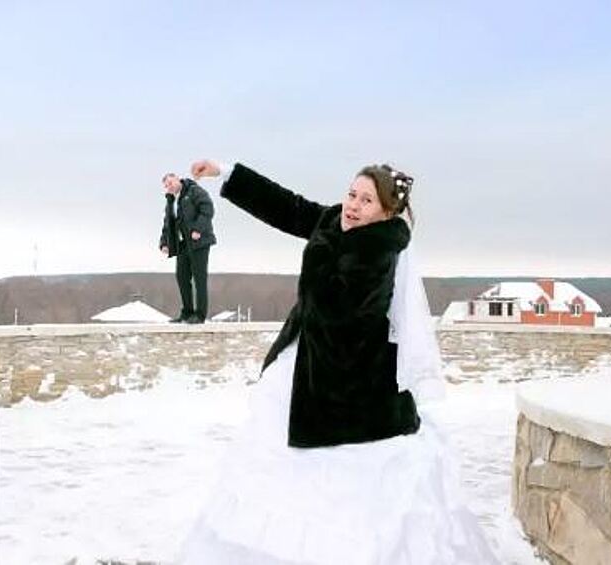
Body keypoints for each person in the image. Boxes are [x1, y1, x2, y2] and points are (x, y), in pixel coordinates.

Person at [176, 160, 498, 565]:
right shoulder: (335, 221)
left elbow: (339, 312)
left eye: (367, 200)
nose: (354, 206)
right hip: (308, 360)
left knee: (337, 487)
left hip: (348, 384)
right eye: (351, 194)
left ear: (386, 212)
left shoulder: (379, 250)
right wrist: (227, 173)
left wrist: (324, 249)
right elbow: (287, 207)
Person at [159, 172, 217, 323]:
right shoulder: (171, 200)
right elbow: (168, 223)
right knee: (182, 277)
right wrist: (164, 242)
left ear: (178, 179)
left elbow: (208, 209)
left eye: (171, 183)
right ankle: (187, 312)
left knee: (199, 278)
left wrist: (198, 229)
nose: (169, 187)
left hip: (200, 242)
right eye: (166, 186)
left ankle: (200, 314)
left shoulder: (194, 191)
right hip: (183, 244)